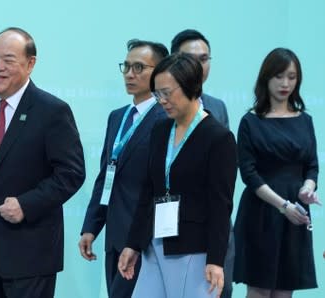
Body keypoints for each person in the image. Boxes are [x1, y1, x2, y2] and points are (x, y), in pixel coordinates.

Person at [0, 27, 85, 298]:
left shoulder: (52, 111)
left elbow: (71, 173)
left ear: (30, 64)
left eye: (8, 60)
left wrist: (27, 204)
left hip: (30, 254)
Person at [118, 53, 237, 298]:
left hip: (194, 249)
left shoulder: (218, 138)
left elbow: (220, 205)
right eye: (157, 93)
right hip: (155, 243)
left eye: (167, 92)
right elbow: (148, 191)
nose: (161, 100)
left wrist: (216, 260)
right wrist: (133, 243)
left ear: (191, 87)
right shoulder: (161, 130)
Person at [79, 39, 168, 297]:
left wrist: (137, 240)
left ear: (160, 72)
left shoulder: (164, 119)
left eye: (139, 67)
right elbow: (106, 175)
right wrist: (90, 226)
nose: (130, 74)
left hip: (145, 238)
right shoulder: (118, 116)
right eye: (126, 66)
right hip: (114, 236)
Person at [233, 48, 320, 298]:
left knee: (285, 290)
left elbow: (312, 165)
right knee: (259, 289)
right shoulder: (250, 121)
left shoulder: (305, 120)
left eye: (291, 77)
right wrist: (283, 205)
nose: (285, 83)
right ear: (266, 78)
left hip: (296, 214)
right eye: (279, 76)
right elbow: (248, 174)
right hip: (261, 211)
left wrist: (308, 188)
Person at [170, 28, 234, 298]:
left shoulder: (217, 107)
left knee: (220, 289)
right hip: (176, 221)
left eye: (205, 58)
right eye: (190, 58)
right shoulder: (165, 107)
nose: (199, 65)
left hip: (214, 216)